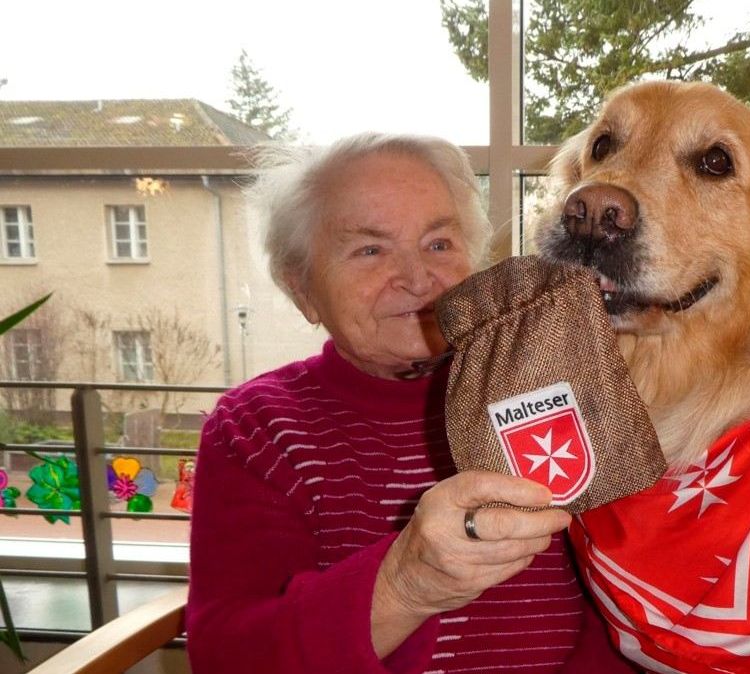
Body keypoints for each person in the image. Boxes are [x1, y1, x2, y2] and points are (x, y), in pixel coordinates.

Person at [186, 133, 632, 673]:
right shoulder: (255, 428)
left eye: (439, 243)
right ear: (302, 287)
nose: (419, 279)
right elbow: (229, 657)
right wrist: (405, 584)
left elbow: (624, 605)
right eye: (370, 250)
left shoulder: (554, 388)